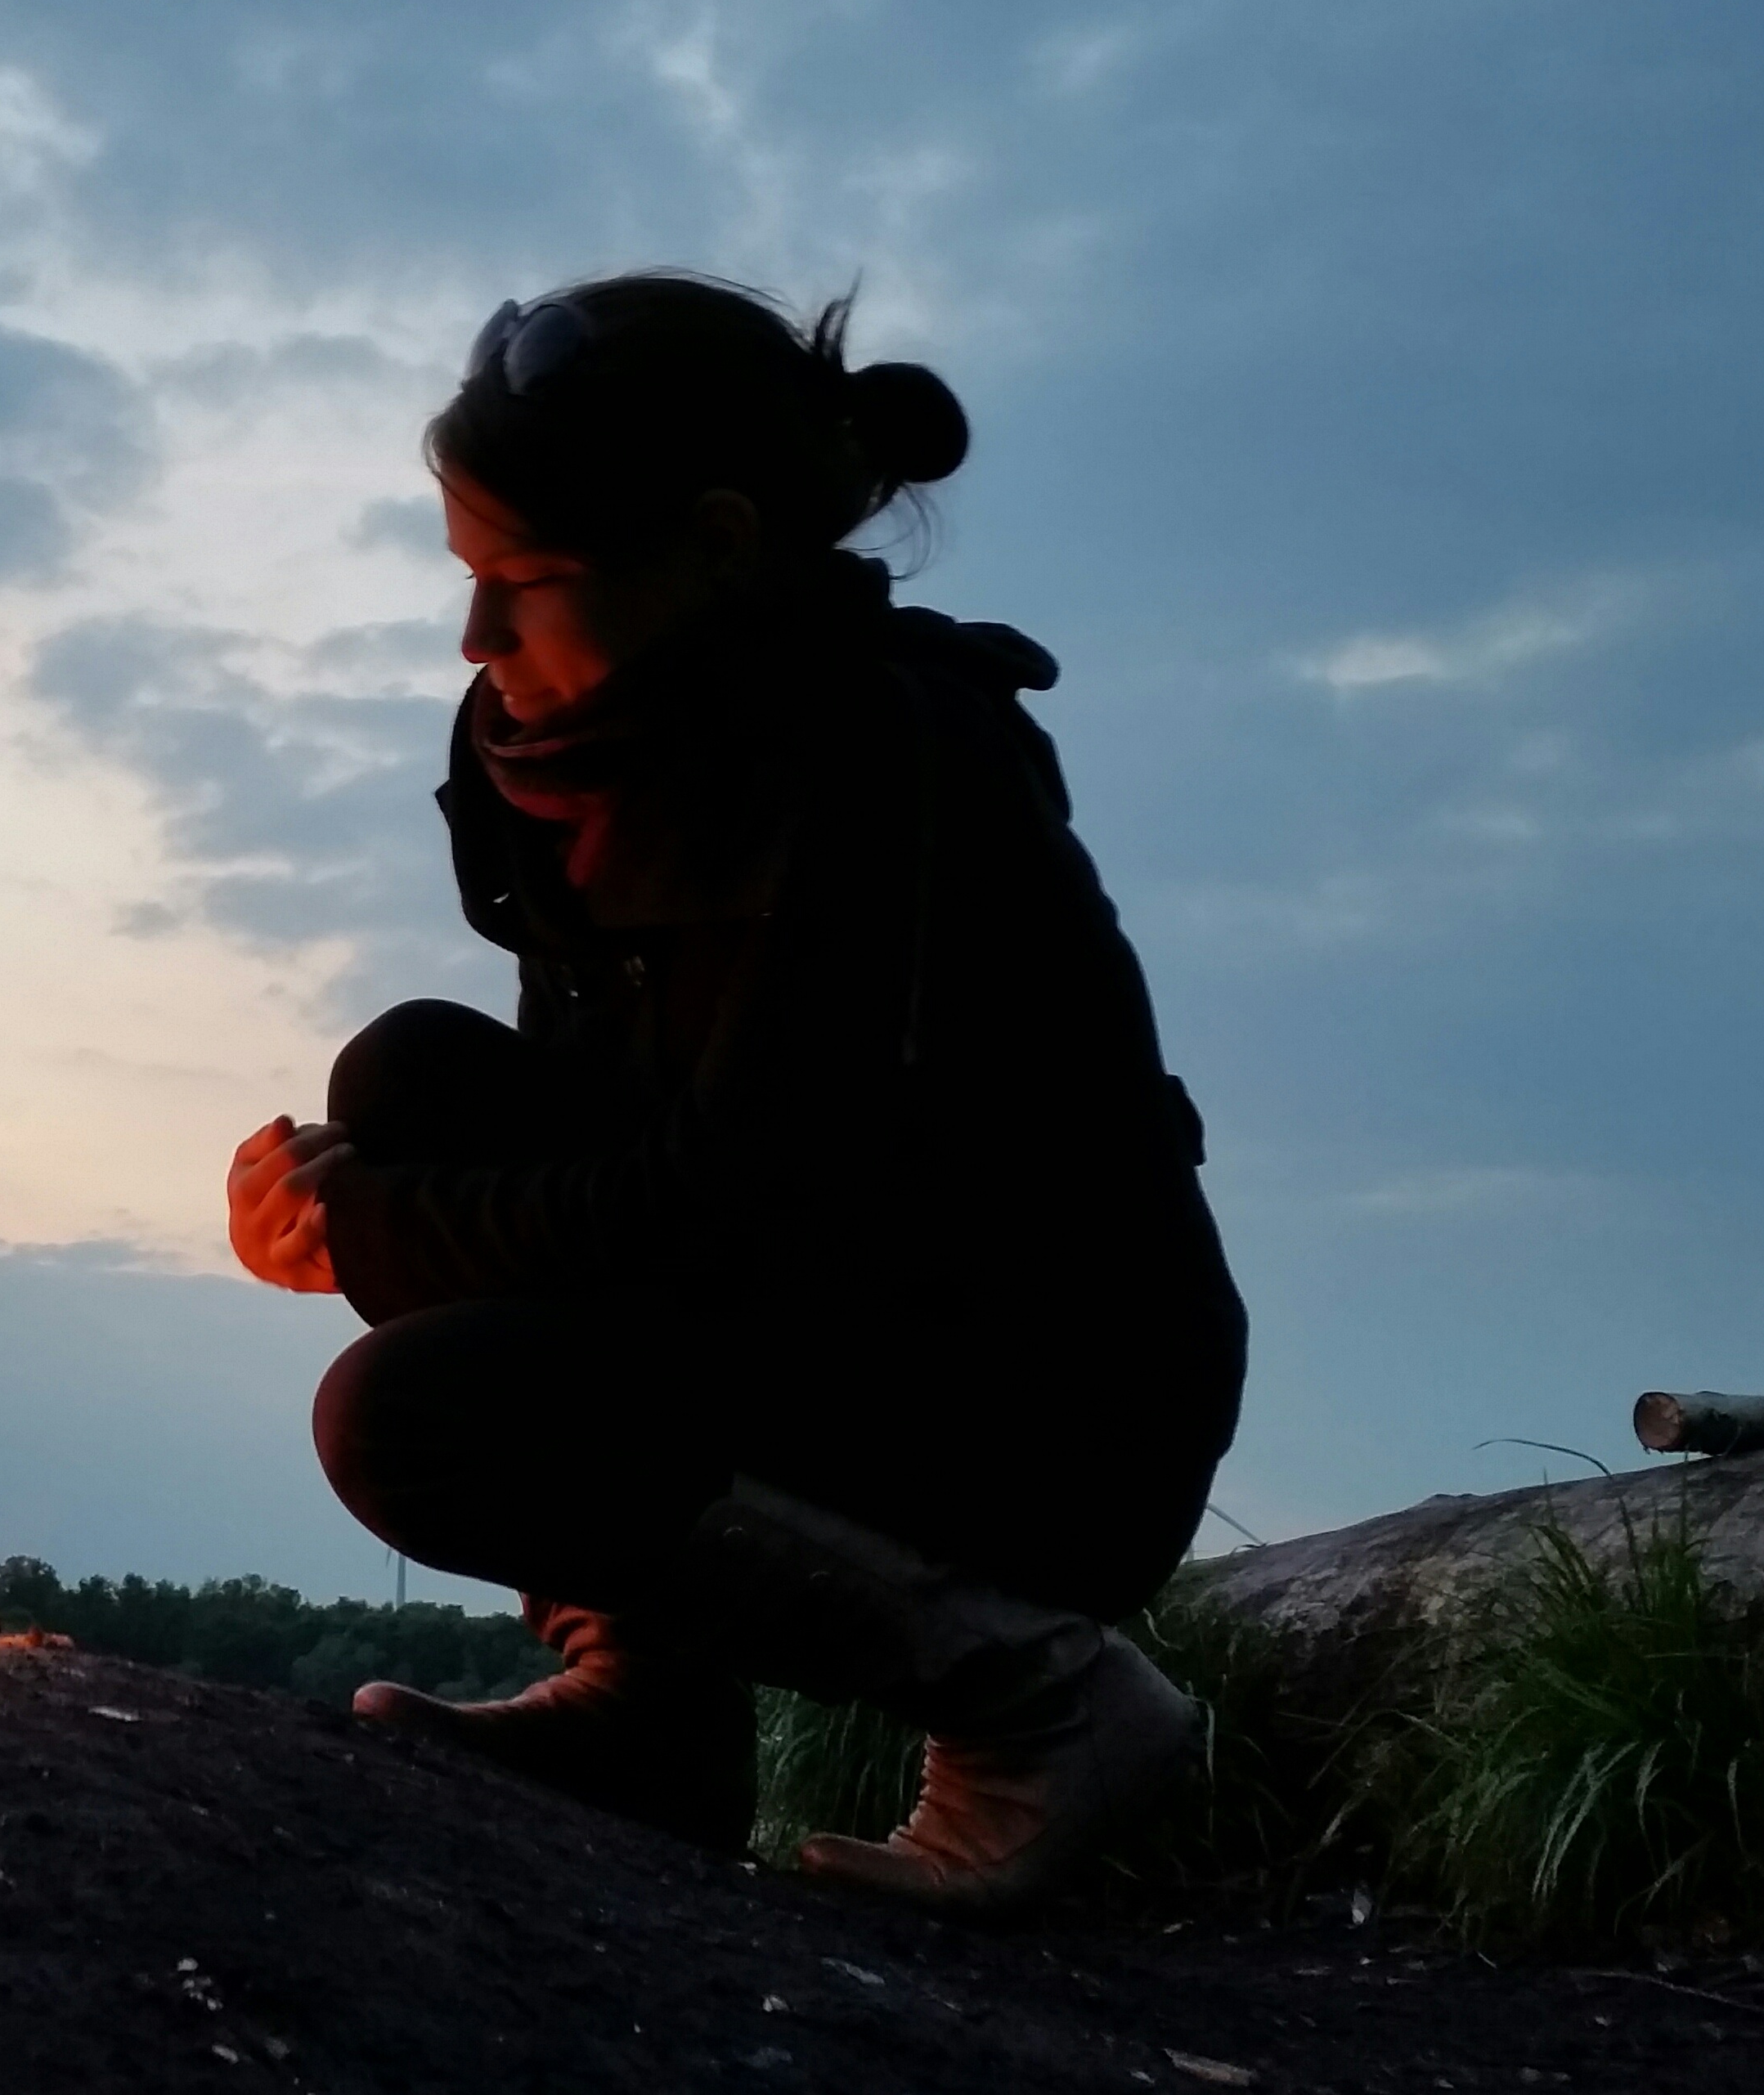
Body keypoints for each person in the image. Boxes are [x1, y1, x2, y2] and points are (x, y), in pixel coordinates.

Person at [224, 273, 1245, 1913]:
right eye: (468, 580)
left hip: (1046, 1398)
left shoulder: (887, 763)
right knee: (404, 1077)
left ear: (711, 546)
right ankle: (648, 1720)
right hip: (821, 1310)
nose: (478, 639)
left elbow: (744, 1205)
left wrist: (377, 1233)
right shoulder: (609, 755)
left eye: (522, 584)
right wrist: (371, 1196)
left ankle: (1041, 1703)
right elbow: (621, 1140)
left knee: (409, 1418)